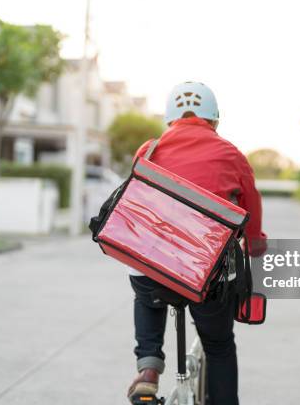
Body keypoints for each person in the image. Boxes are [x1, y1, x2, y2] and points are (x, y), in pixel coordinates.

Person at [127, 81, 266, 405]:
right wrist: (256, 244)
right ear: (214, 120)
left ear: (170, 119)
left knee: (146, 288)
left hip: (154, 265)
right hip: (206, 273)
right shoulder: (231, 155)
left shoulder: (148, 150)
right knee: (219, 347)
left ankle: (148, 368)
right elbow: (252, 209)